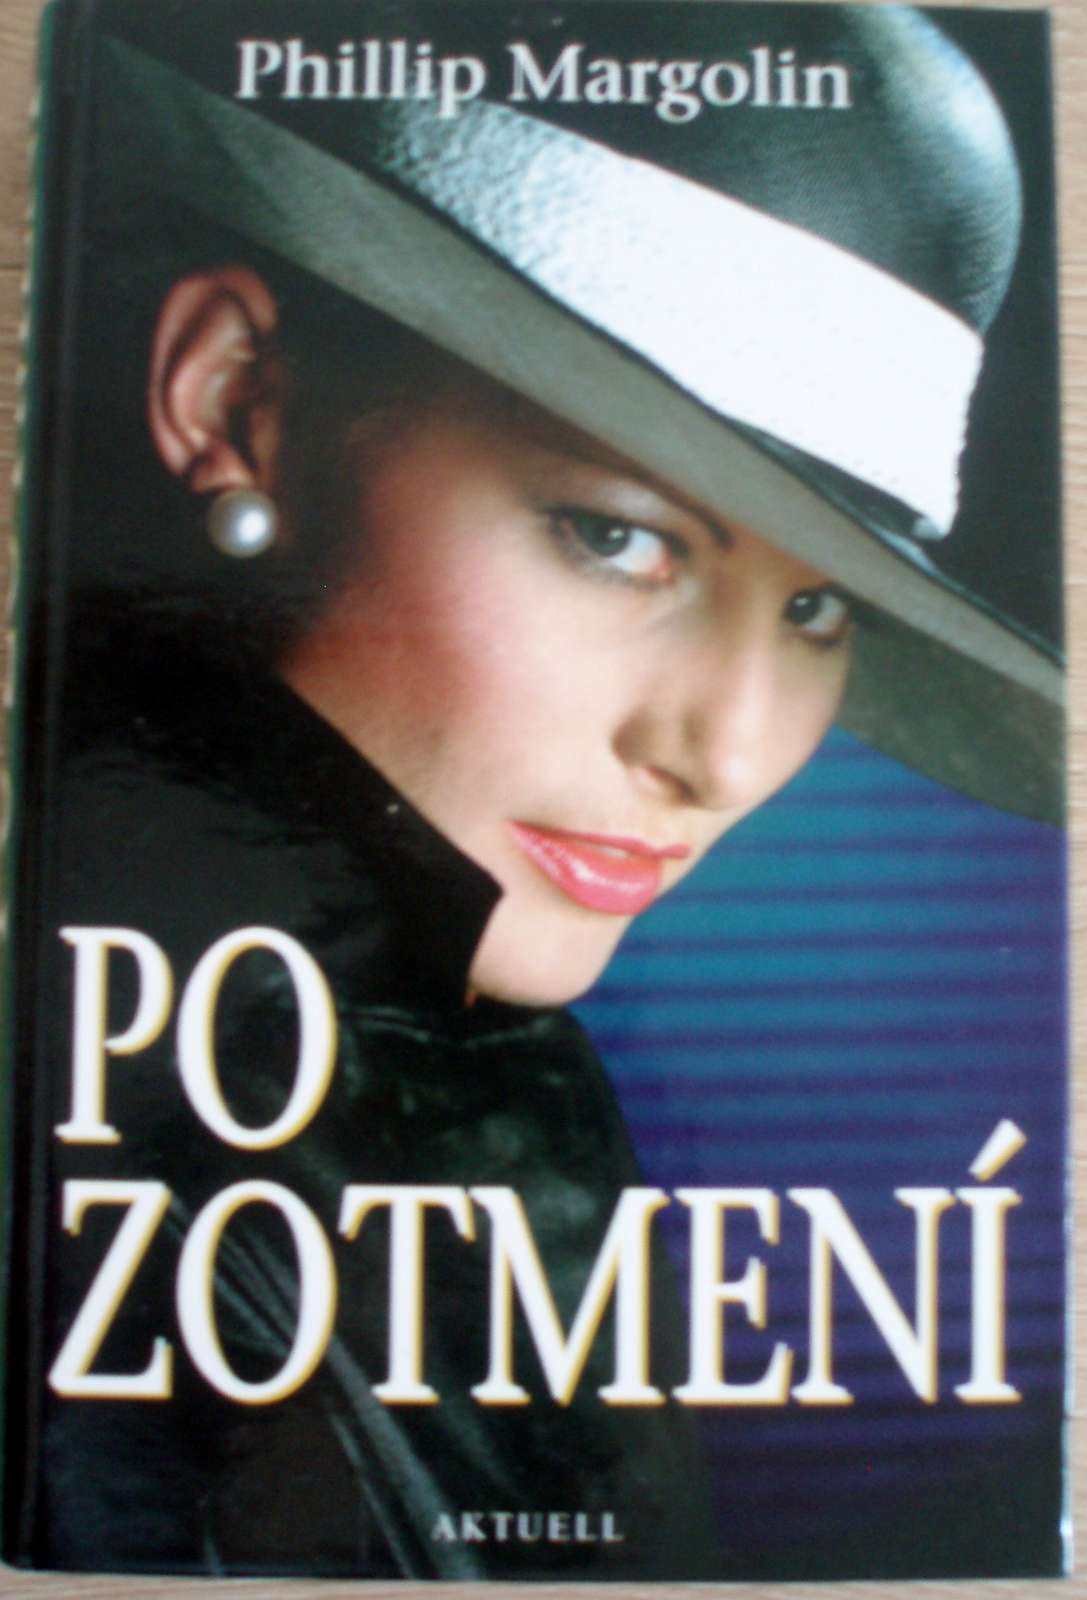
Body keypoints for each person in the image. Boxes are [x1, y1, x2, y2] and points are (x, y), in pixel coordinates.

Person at [12, 0, 1062, 1581]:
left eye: (818, 606)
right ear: (234, 398)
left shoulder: (489, 1087)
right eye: (616, 535)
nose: (722, 755)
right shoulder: (97, 1131)